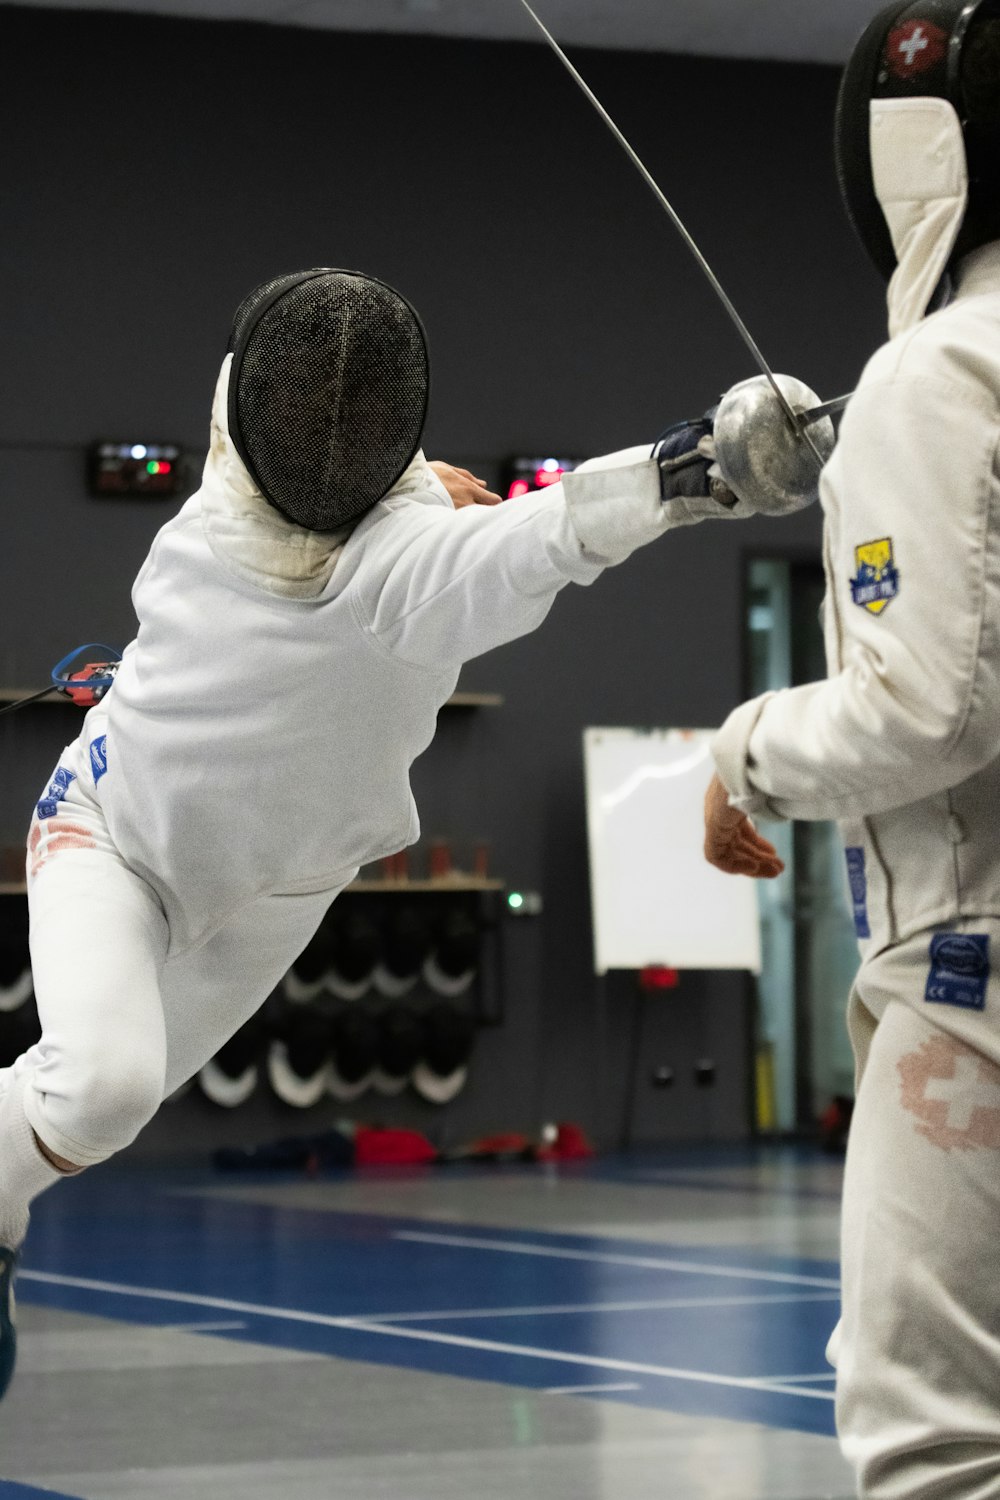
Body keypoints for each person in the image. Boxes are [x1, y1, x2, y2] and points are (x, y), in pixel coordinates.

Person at [0, 266, 794, 1399]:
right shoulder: (253, 505)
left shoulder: (409, 552)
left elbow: (543, 537)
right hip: (108, 837)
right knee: (103, 1086)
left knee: (110, 1105)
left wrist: (689, 472)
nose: (322, 430)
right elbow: (513, 524)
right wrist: (689, 468)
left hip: (277, 893)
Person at [704, 3, 1000, 1494]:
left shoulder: (943, 373)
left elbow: (924, 711)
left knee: (932, 1435)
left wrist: (744, 748)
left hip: (978, 972)